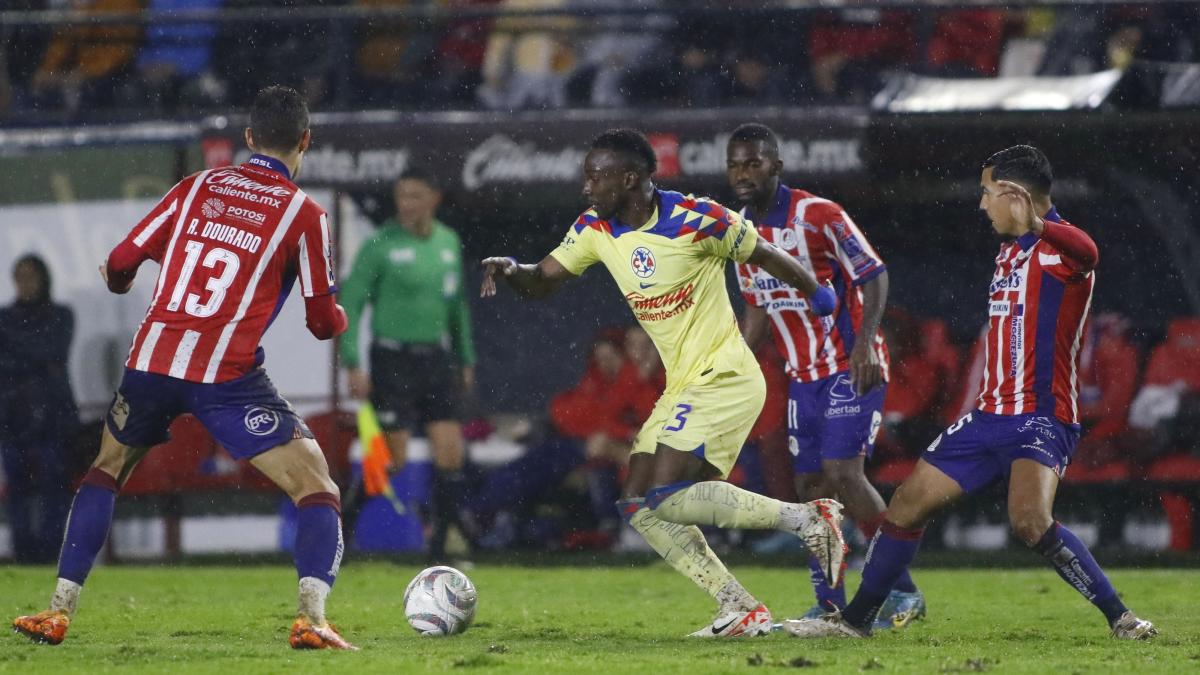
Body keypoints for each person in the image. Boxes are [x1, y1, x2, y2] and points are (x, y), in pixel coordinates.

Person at [12, 86, 357, 650]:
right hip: (227, 377)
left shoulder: (196, 186)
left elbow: (122, 263)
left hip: (152, 361)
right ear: (306, 142)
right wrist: (340, 314)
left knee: (107, 469)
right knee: (316, 485)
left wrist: (118, 279)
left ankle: (58, 610)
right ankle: (311, 619)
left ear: (248, 140)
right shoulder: (305, 215)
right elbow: (322, 323)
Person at [480, 128, 847, 637]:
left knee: (667, 494)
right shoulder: (595, 228)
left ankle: (809, 520)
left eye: (595, 176)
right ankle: (738, 607)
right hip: (683, 385)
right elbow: (542, 281)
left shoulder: (699, 219)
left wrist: (818, 291)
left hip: (726, 375)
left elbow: (766, 255)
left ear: (630, 179)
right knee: (639, 504)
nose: (586, 186)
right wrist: (513, 268)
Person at [784, 145, 1158, 640]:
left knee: (1029, 522)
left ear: (1015, 195)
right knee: (906, 504)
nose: (982, 206)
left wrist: (1041, 224)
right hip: (987, 418)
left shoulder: (1059, 252)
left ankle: (1122, 619)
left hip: (1040, 418)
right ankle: (855, 622)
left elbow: (1089, 253)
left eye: (987, 194)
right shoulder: (1009, 252)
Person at [726, 123, 925, 629]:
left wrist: (865, 344)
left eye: (754, 162)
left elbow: (873, 273)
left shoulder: (818, 214)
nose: (743, 173)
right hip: (801, 376)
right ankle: (830, 602)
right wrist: (729, 367)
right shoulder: (740, 233)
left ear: (777, 166)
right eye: (735, 164)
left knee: (843, 475)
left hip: (850, 365)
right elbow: (757, 314)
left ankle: (901, 592)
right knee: (811, 486)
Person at [339, 166, 476, 562]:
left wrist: (466, 357)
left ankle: (439, 550)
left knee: (450, 456)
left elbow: (457, 306)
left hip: (437, 359)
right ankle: (346, 522)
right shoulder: (380, 245)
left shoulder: (449, 242)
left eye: (415, 196)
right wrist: (352, 362)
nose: (406, 205)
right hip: (392, 360)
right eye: (401, 196)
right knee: (394, 460)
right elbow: (351, 303)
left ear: (435, 198)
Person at [0, 255, 79, 563]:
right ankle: (24, 553)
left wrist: (17, 351)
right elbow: (36, 357)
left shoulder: (61, 314)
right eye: (20, 276)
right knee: (17, 488)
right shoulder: (5, 318)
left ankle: (49, 553)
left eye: (31, 276)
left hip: (54, 417)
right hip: (13, 417)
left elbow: (54, 352)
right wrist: (34, 358)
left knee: (55, 485)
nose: (25, 283)